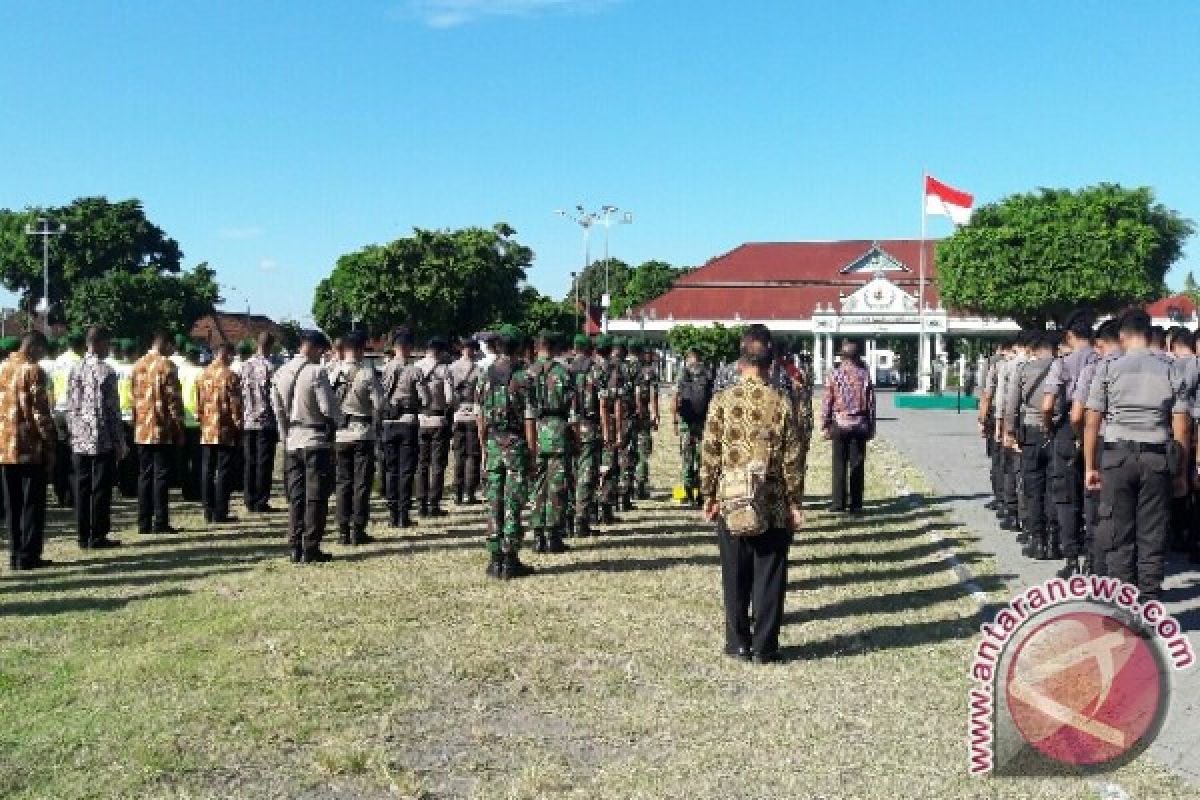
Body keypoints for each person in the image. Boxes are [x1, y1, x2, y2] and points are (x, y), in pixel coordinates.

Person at [701, 324, 805, 664]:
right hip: (771, 501)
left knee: (734, 574)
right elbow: (793, 457)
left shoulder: (722, 401)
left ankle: (737, 642)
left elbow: (710, 450)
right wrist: (795, 501)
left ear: (740, 359)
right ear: (772, 362)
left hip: (731, 499)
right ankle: (765, 646)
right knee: (770, 574)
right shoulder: (781, 403)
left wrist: (708, 494)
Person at [1084, 310, 1190, 603]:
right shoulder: (1171, 368)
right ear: (1151, 334)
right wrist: (1181, 472)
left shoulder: (1108, 366)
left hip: (1117, 456)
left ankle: (1123, 604)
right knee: (1152, 534)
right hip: (1156, 458)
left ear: (1121, 336)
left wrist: (1090, 466)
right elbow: (1181, 423)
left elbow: (1093, 420)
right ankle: (1149, 603)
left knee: (1119, 534)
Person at [271, 330, 341, 563]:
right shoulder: (316, 372)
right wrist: (335, 424)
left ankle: (294, 546)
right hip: (314, 439)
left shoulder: (281, 371)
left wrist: (285, 436)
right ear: (316, 348)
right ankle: (311, 547)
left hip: (292, 439)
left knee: (296, 497)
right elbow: (328, 409)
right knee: (316, 497)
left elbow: (278, 410)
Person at [477, 325, 536, 579]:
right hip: (515, 443)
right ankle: (510, 558)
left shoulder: (484, 375)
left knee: (494, 499)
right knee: (513, 500)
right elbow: (529, 418)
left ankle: (495, 558)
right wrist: (532, 452)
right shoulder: (524, 376)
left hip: (492, 442)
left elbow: (479, 415)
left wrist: (483, 446)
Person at [66, 326, 127, 550]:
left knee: (81, 487)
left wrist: (73, 432)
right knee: (100, 488)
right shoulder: (106, 372)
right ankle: (97, 534)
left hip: (79, 437)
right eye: (107, 344)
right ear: (99, 343)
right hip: (101, 438)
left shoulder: (75, 369)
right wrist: (119, 441)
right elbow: (112, 410)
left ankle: (82, 535)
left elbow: (71, 404)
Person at [1, 332, 57, 570]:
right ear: (34, 347)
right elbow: (40, 414)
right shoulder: (33, 371)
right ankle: (29, 555)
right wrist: (51, 444)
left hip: (5, 447)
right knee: (31, 503)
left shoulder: (2, 368)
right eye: (42, 352)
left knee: (12, 504)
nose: (42, 357)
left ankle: (15, 554)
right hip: (29, 447)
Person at [1006, 332, 1058, 560]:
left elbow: (1012, 406)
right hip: (1057, 432)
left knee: (1033, 488)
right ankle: (1055, 539)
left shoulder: (1023, 370)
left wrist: (1009, 431)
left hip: (1031, 433)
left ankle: (1037, 539)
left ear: (1034, 349)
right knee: (1055, 488)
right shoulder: (1062, 367)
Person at [332, 331, 383, 545]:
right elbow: (379, 404)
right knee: (361, 483)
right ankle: (357, 529)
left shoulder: (332, 371)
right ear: (361, 349)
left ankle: (342, 529)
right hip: (362, 432)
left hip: (340, 433)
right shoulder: (367, 373)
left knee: (343, 482)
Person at [132, 333, 185, 535]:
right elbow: (174, 402)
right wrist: (178, 429)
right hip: (161, 428)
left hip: (142, 428)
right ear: (164, 343)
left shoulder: (137, 365)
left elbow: (133, 396)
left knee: (144, 475)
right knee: (161, 476)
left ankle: (143, 522)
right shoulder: (167, 366)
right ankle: (160, 520)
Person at [526, 331, 574, 554]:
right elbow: (572, 407)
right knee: (557, 485)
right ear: (554, 348)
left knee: (537, 485)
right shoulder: (563, 372)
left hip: (534, 430)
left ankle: (537, 536)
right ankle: (553, 536)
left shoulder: (526, 373)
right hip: (557, 430)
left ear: (536, 348)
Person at [820, 340, 876, 513]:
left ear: (841, 356)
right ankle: (856, 504)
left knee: (839, 464)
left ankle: (838, 504)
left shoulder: (833, 375)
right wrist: (872, 426)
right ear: (857, 356)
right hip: (860, 425)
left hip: (839, 424)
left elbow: (827, 402)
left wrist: (825, 424)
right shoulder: (864, 375)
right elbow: (871, 404)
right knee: (857, 464)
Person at [197, 343, 244, 525]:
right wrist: (239, 426)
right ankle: (220, 511)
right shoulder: (231, 376)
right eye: (231, 356)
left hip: (207, 428)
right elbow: (236, 406)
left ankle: (207, 510)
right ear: (226, 354)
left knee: (207, 470)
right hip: (225, 429)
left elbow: (199, 403)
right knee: (224, 471)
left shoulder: (203, 374)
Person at [380, 327, 421, 528]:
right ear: (410, 348)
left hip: (389, 422)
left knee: (390, 470)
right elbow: (425, 398)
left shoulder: (385, 368)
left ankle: (391, 514)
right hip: (407, 422)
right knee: (406, 471)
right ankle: (403, 515)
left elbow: (381, 396)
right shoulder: (414, 370)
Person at [414, 336, 454, 518]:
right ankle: (433, 504)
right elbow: (450, 398)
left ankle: (420, 502)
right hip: (438, 420)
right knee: (437, 464)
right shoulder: (445, 369)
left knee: (422, 464)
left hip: (420, 419)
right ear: (440, 351)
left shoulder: (416, 367)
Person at [569, 334, 603, 537]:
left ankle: (566, 519)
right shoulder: (594, 370)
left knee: (570, 472)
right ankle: (581, 520)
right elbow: (603, 402)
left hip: (569, 426)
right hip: (589, 425)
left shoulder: (565, 369)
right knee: (586, 474)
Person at [242, 332, 279, 513]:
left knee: (250, 461)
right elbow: (274, 398)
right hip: (266, 422)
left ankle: (248, 498)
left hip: (248, 420)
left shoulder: (245, 365)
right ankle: (261, 500)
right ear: (271, 346)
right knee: (264, 463)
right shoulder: (270, 367)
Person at [673, 347, 713, 508]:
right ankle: (701, 494)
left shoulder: (682, 375)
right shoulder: (708, 374)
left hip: (686, 424)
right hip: (703, 422)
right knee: (703, 459)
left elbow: (675, 399)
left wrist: (675, 421)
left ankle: (688, 493)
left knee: (687, 459)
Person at [449, 337, 482, 505]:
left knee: (459, 455)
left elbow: (448, 395)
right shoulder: (478, 370)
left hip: (457, 414)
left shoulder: (452, 368)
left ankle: (458, 493)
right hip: (473, 414)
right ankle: (470, 493)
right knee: (472, 456)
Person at [630, 340, 660, 500]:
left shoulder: (621, 367)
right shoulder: (647, 371)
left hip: (623, 417)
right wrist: (655, 414)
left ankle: (626, 488)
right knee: (642, 451)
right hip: (641, 415)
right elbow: (652, 394)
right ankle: (640, 486)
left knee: (627, 450)